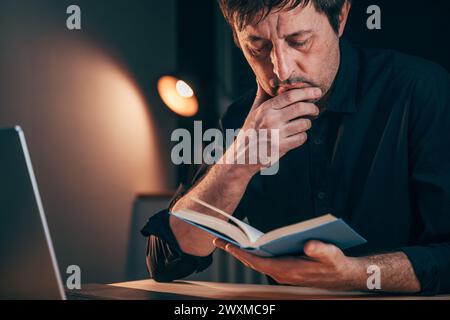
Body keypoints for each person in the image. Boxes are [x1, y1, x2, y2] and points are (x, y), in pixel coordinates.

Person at [141, 0, 450, 295]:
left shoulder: (419, 90)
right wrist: (238, 164)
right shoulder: (242, 118)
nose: (282, 70)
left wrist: (358, 274)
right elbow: (165, 261)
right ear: (237, 38)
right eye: (258, 47)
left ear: (340, 16)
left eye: (299, 41)